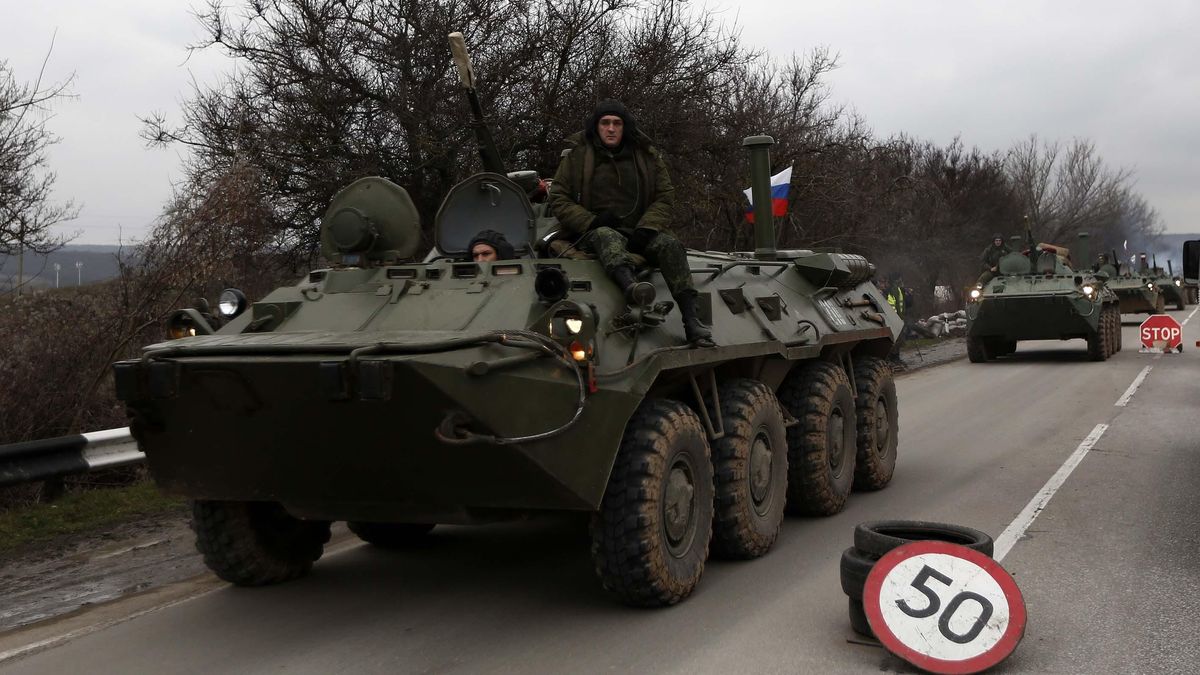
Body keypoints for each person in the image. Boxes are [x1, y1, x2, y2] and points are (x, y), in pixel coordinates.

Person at [547, 99, 713, 347]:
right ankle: (633, 291)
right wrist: (590, 220)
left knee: (670, 245)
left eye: (617, 123)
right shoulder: (578, 157)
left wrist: (648, 227)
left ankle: (691, 319)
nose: (611, 129)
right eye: (605, 123)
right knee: (607, 236)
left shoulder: (646, 157)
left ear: (625, 127)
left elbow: (665, 195)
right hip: (593, 232)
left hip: (640, 232)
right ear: (596, 126)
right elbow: (558, 197)